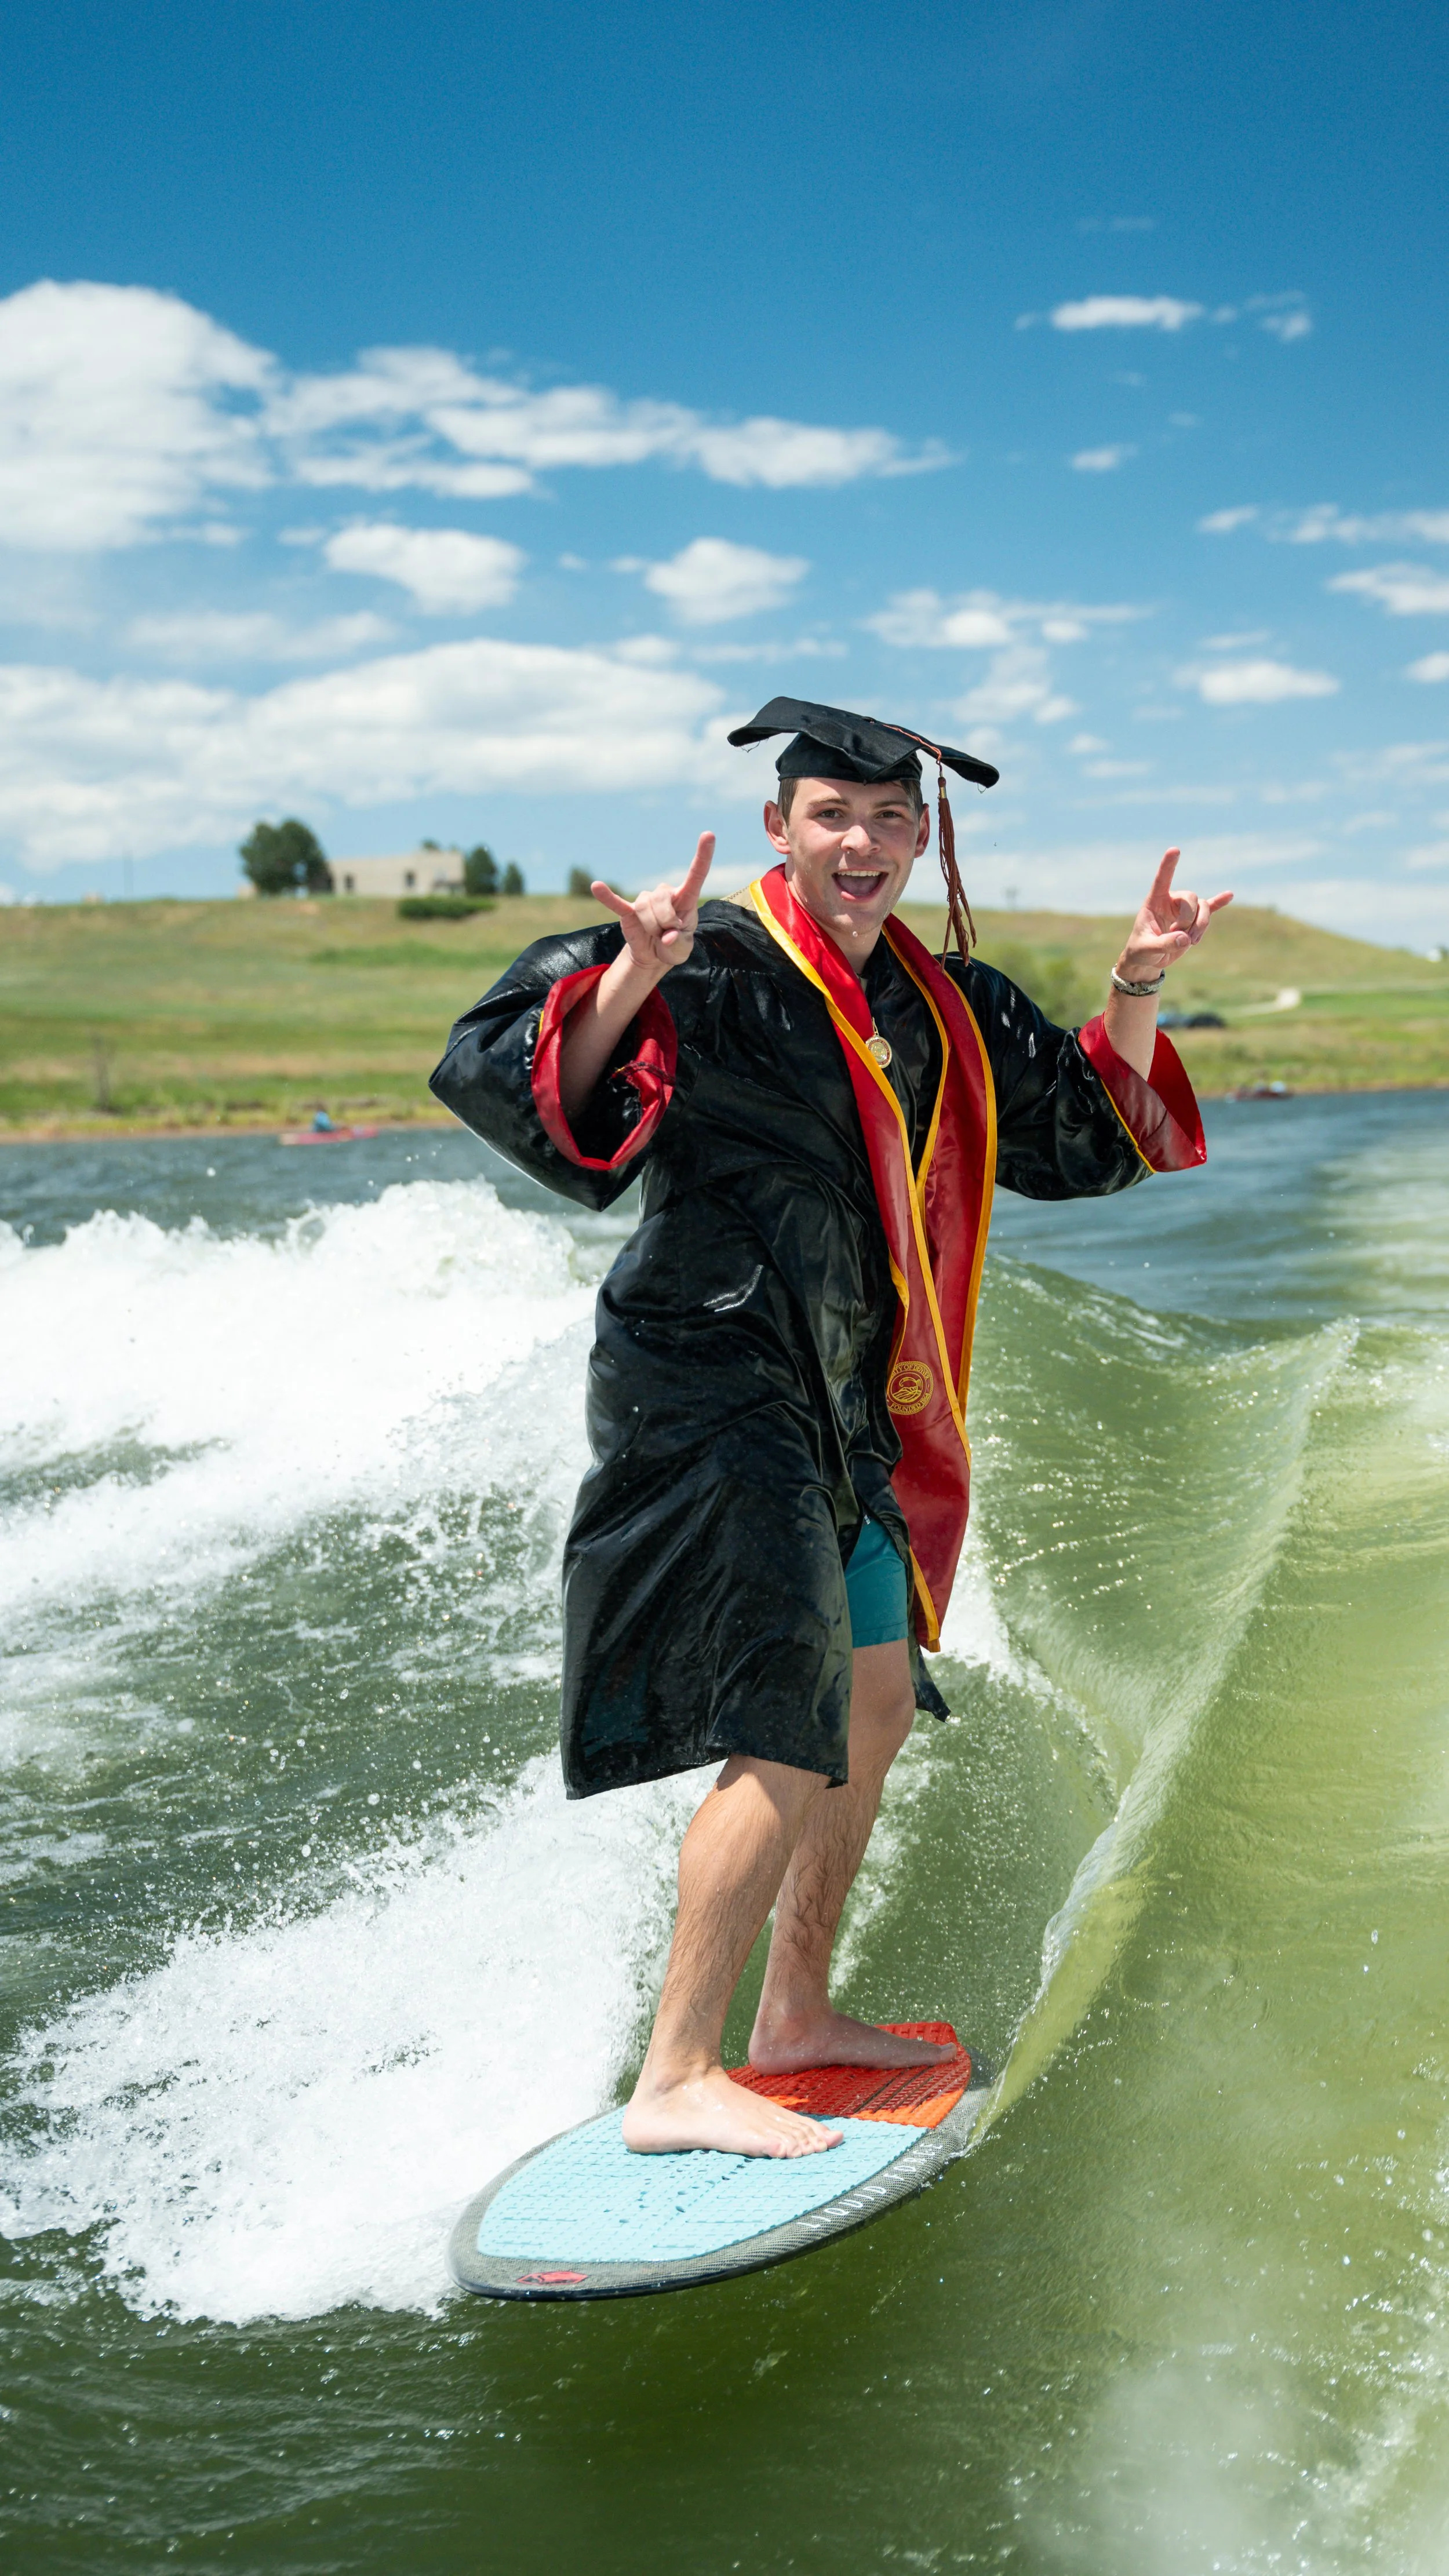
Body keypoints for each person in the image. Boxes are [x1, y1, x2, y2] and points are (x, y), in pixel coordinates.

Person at [430, 697, 1230, 2162]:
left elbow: (1089, 1132)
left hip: (854, 1394)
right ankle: (674, 2073)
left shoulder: (944, 1002)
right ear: (777, 829)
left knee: (868, 1698)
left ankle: (790, 2013)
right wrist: (628, 976)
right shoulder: (712, 964)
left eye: (886, 820)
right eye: (830, 818)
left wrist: (1130, 984)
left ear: (921, 839)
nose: (859, 844)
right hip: (713, 1377)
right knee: (783, 1723)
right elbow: (524, 1077)